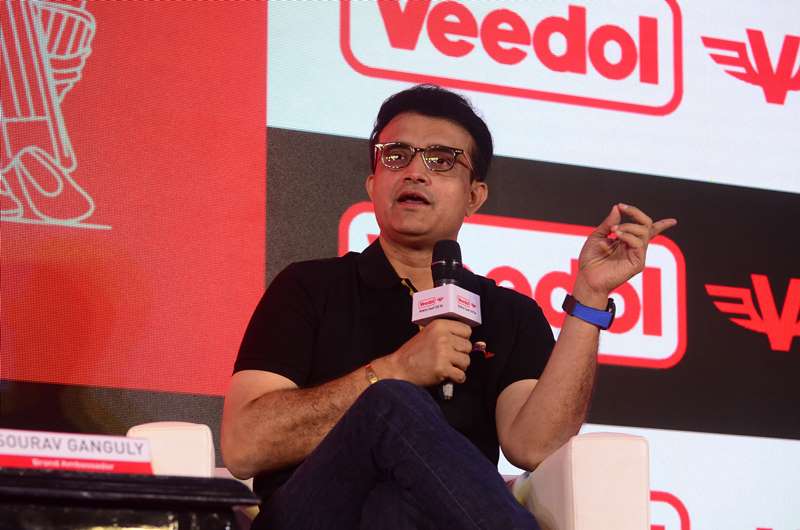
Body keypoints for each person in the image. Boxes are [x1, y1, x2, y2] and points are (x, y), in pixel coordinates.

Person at [221, 85, 677, 529]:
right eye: (396, 156)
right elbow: (244, 445)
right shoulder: (308, 287)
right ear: (373, 183)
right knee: (390, 402)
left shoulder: (508, 314)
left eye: (441, 160)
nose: (414, 173)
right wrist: (397, 370)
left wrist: (591, 295)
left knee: (393, 507)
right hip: (312, 515)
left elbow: (534, 447)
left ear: (474, 196)